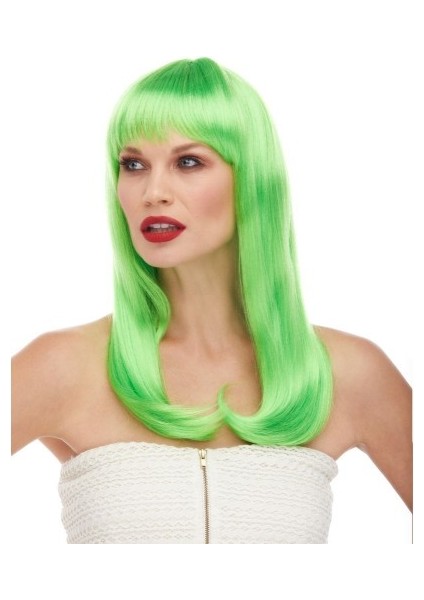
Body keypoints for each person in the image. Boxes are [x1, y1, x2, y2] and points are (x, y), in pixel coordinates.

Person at [11, 58, 412, 544]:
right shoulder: (63, 366)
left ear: (251, 179)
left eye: (188, 162)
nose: (153, 192)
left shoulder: (351, 372)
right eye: (133, 164)